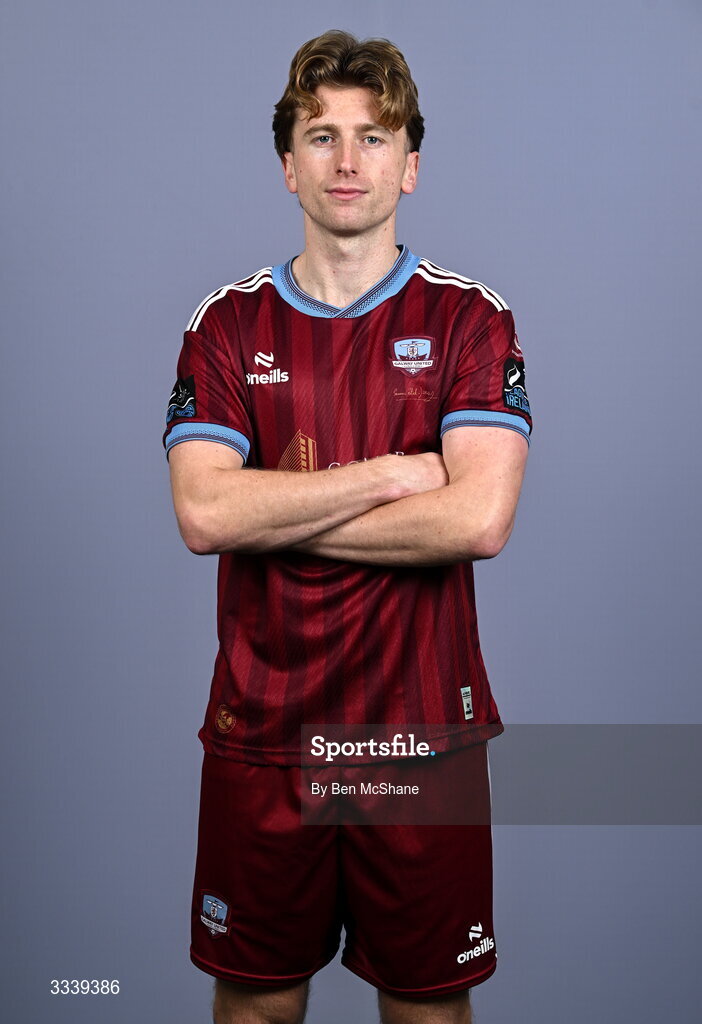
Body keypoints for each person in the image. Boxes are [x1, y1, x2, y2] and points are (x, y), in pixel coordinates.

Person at [164, 29, 531, 1024]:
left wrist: (271, 511)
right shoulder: (228, 326)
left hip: (423, 743)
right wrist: (390, 478)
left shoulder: (470, 321)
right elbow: (203, 510)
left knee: (426, 1013)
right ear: (288, 164)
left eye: (375, 137)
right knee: (255, 1009)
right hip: (264, 737)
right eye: (321, 137)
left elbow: (480, 517)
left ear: (411, 165)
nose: (348, 161)